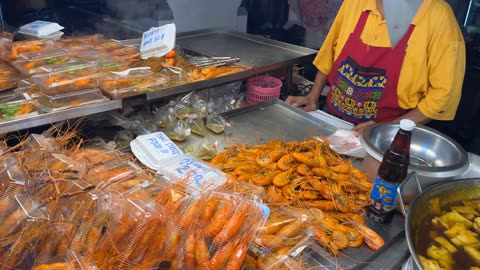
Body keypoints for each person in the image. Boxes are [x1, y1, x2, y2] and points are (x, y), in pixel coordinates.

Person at [285, 0, 466, 133]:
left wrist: (387, 129)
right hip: (331, 120)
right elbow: (328, 53)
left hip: (387, 135)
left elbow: (443, 95)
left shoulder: (438, 16)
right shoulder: (355, 3)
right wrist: (313, 96)